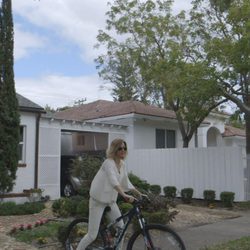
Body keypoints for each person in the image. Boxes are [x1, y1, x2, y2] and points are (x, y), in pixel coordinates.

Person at [76, 138, 142, 250]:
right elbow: (113, 181)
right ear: (114, 150)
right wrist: (124, 195)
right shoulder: (108, 163)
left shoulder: (122, 164)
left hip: (111, 201)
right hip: (98, 201)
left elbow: (126, 181)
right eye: (120, 148)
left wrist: (138, 193)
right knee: (92, 235)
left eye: (125, 148)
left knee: (121, 228)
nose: (123, 150)